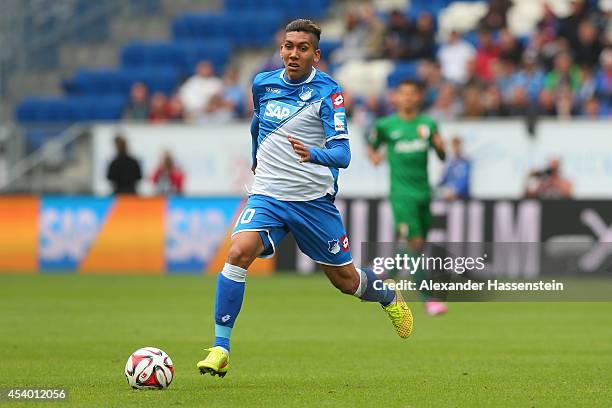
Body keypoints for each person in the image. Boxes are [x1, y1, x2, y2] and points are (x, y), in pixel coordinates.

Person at [196, 19, 413, 379]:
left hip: (313, 202)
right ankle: (221, 347)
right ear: (280, 49)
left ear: (316, 54)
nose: (293, 53)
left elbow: (343, 155)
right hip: (269, 195)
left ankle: (388, 296)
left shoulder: (328, 93)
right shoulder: (262, 83)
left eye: (302, 48)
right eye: (288, 46)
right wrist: (255, 157)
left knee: (346, 281)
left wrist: (313, 154)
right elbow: (256, 125)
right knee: (237, 253)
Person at [366, 79, 448, 316]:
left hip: (424, 193)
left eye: (413, 94)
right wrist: (374, 156)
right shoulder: (386, 125)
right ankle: (428, 298)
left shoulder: (428, 124)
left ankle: (383, 272)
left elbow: (441, 155)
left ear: (419, 98)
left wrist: (441, 148)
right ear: (396, 98)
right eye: (404, 94)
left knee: (417, 245)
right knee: (414, 243)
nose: (408, 98)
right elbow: (372, 145)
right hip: (401, 195)